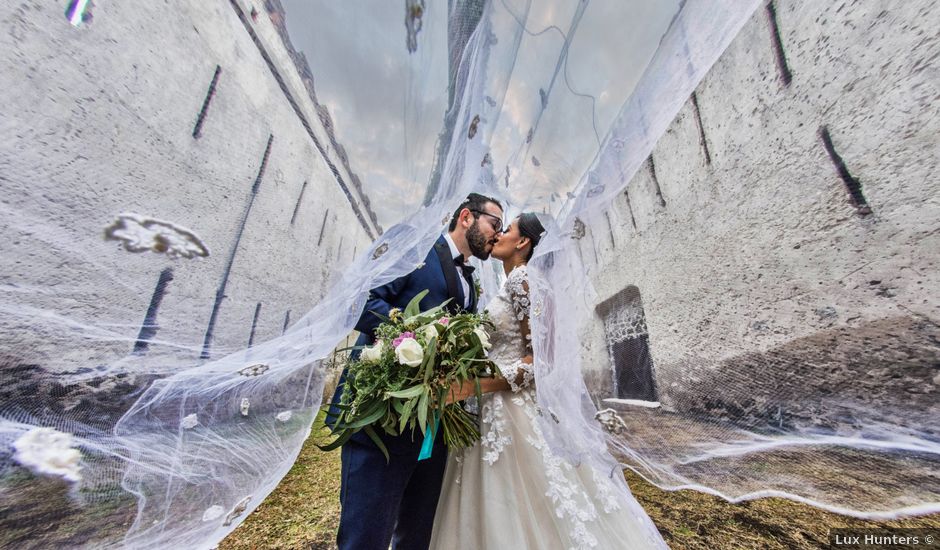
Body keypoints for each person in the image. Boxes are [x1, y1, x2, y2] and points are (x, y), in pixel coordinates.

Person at [429, 213, 668, 550]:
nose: (498, 234)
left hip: (508, 409)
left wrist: (475, 386)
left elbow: (539, 363)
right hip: (495, 406)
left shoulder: (521, 279)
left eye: (506, 229)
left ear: (523, 242)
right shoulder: (518, 281)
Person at [328, 193, 504, 550]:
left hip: (432, 429)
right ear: (467, 217)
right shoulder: (415, 245)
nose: (497, 235)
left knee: (417, 534)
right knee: (366, 537)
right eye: (495, 224)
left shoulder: (472, 283)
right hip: (381, 419)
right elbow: (362, 301)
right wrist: (419, 340)